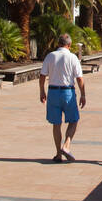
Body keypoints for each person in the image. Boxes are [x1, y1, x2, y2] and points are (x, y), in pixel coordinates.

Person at [39, 32, 85, 162]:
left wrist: (42, 91)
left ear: (58, 44)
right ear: (69, 45)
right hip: (68, 92)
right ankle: (66, 145)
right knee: (73, 120)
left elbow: (42, 76)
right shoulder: (73, 58)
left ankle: (58, 154)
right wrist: (83, 95)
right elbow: (80, 78)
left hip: (53, 92)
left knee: (56, 124)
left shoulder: (50, 56)